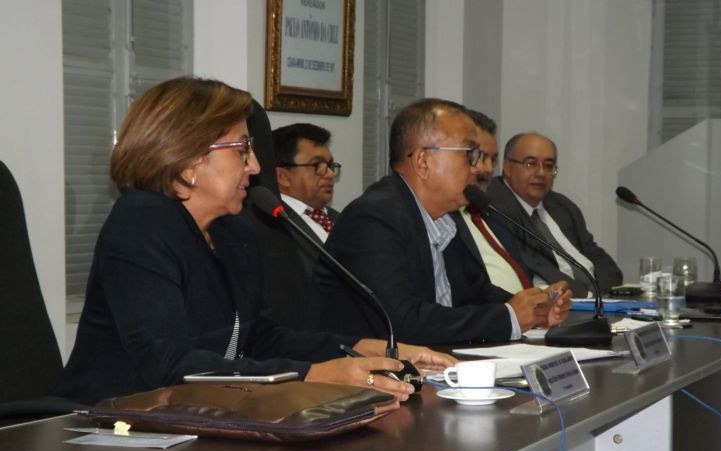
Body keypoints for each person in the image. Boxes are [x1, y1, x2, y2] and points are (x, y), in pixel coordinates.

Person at [55, 77, 454, 405]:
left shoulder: (233, 230)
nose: (256, 165)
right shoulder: (140, 224)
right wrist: (315, 375)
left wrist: (368, 348)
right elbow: (171, 365)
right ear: (189, 157)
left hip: (197, 417)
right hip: (109, 427)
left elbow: (260, 337)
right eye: (242, 149)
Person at [307, 98, 571, 346]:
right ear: (423, 161)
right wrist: (509, 317)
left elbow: (475, 293)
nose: (478, 168)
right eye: (469, 154)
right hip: (369, 372)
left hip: (436, 362)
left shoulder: (445, 216)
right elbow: (402, 322)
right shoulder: (373, 218)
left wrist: (535, 307)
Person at [486, 132, 623, 296]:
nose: (541, 173)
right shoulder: (495, 205)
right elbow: (534, 264)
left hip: (597, 299)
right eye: (530, 163)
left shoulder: (562, 206)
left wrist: (604, 294)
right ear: (507, 167)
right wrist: (588, 296)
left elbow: (599, 259)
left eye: (549, 166)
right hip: (562, 301)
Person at [460, 110, 534, 294]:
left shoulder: (492, 212)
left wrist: (542, 296)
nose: (488, 169)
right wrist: (513, 306)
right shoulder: (444, 218)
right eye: (480, 157)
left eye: (493, 160)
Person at [274, 123, 341, 243]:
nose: (330, 174)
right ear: (283, 176)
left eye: (329, 165)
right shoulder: (272, 224)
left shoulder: (342, 219)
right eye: (317, 165)